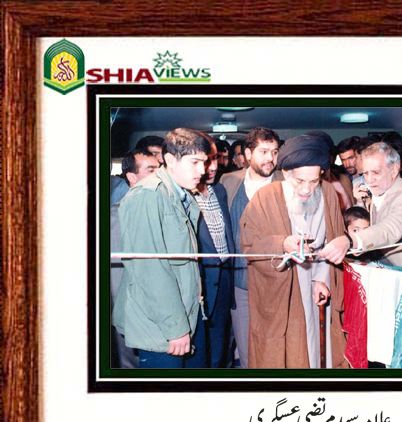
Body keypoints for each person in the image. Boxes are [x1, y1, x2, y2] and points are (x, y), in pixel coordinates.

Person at [240, 135, 351, 369]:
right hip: (283, 287)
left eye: (314, 181)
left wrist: (321, 280)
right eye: (300, 181)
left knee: (317, 347)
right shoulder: (266, 197)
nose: (306, 189)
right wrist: (282, 244)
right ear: (286, 173)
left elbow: (331, 241)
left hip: (315, 283)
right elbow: (250, 245)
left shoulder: (328, 193)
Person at [113, 128, 209, 368]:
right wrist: (176, 328)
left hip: (186, 314)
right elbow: (149, 270)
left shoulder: (181, 195)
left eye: (204, 162)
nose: (203, 170)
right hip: (161, 327)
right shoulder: (147, 195)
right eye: (194, 162)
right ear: (170, 160)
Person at [351, 141, 402, 368]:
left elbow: (390, 230)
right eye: (365, 173)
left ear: (394, 169)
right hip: (389, 278)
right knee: (390, 346)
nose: (369, 179)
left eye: (375, 172)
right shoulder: (380, 193)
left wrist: (354, 240)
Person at [220, 127, 283, 368]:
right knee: (247, 353)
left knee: (276, 350)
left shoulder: (286, 182)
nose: (270, 158)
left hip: (277, 282)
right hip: (240, 284)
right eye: (263, 152)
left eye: (274, 152)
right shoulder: (228, 182)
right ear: (248, 154)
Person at [185, 135, 235, 368]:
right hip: (199, 281)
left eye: (216, 159)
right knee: (198, 354)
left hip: (224, 278)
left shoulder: (220, 191)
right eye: (207, 161)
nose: (213, 167)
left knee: (219, 348)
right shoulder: (183, 196)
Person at [110, 148, 160, 368]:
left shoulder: (163, 208)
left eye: (160, 169)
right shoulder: (117, 216)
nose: (159, 175)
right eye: (151, 170)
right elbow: (117, 280)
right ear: (132, 177)